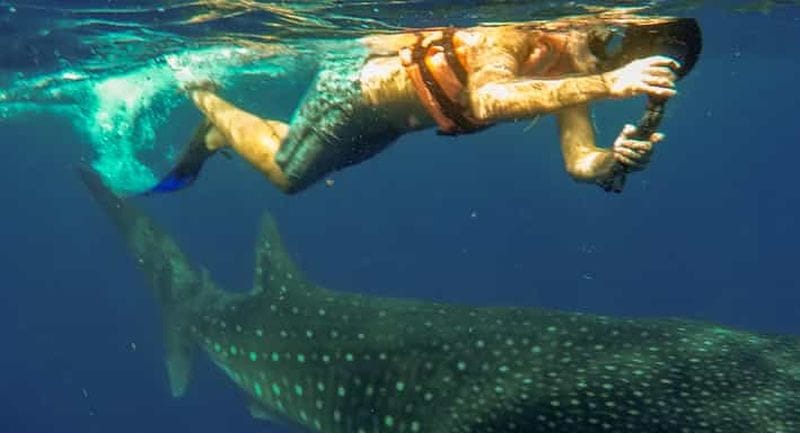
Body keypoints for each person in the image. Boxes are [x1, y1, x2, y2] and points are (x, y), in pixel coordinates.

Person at [150, 16, 701, 196]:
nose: (598, 61)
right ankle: (206, 102)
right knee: (286, 175)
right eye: (608, 47)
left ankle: (240, 130)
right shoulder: (512, 37)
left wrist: (612, 161)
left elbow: (578, 159)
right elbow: (486, 97)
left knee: (292, 156)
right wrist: (608, 85)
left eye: (611, 59)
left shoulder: (574, 72)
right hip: (353, 95)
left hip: (396, 122)